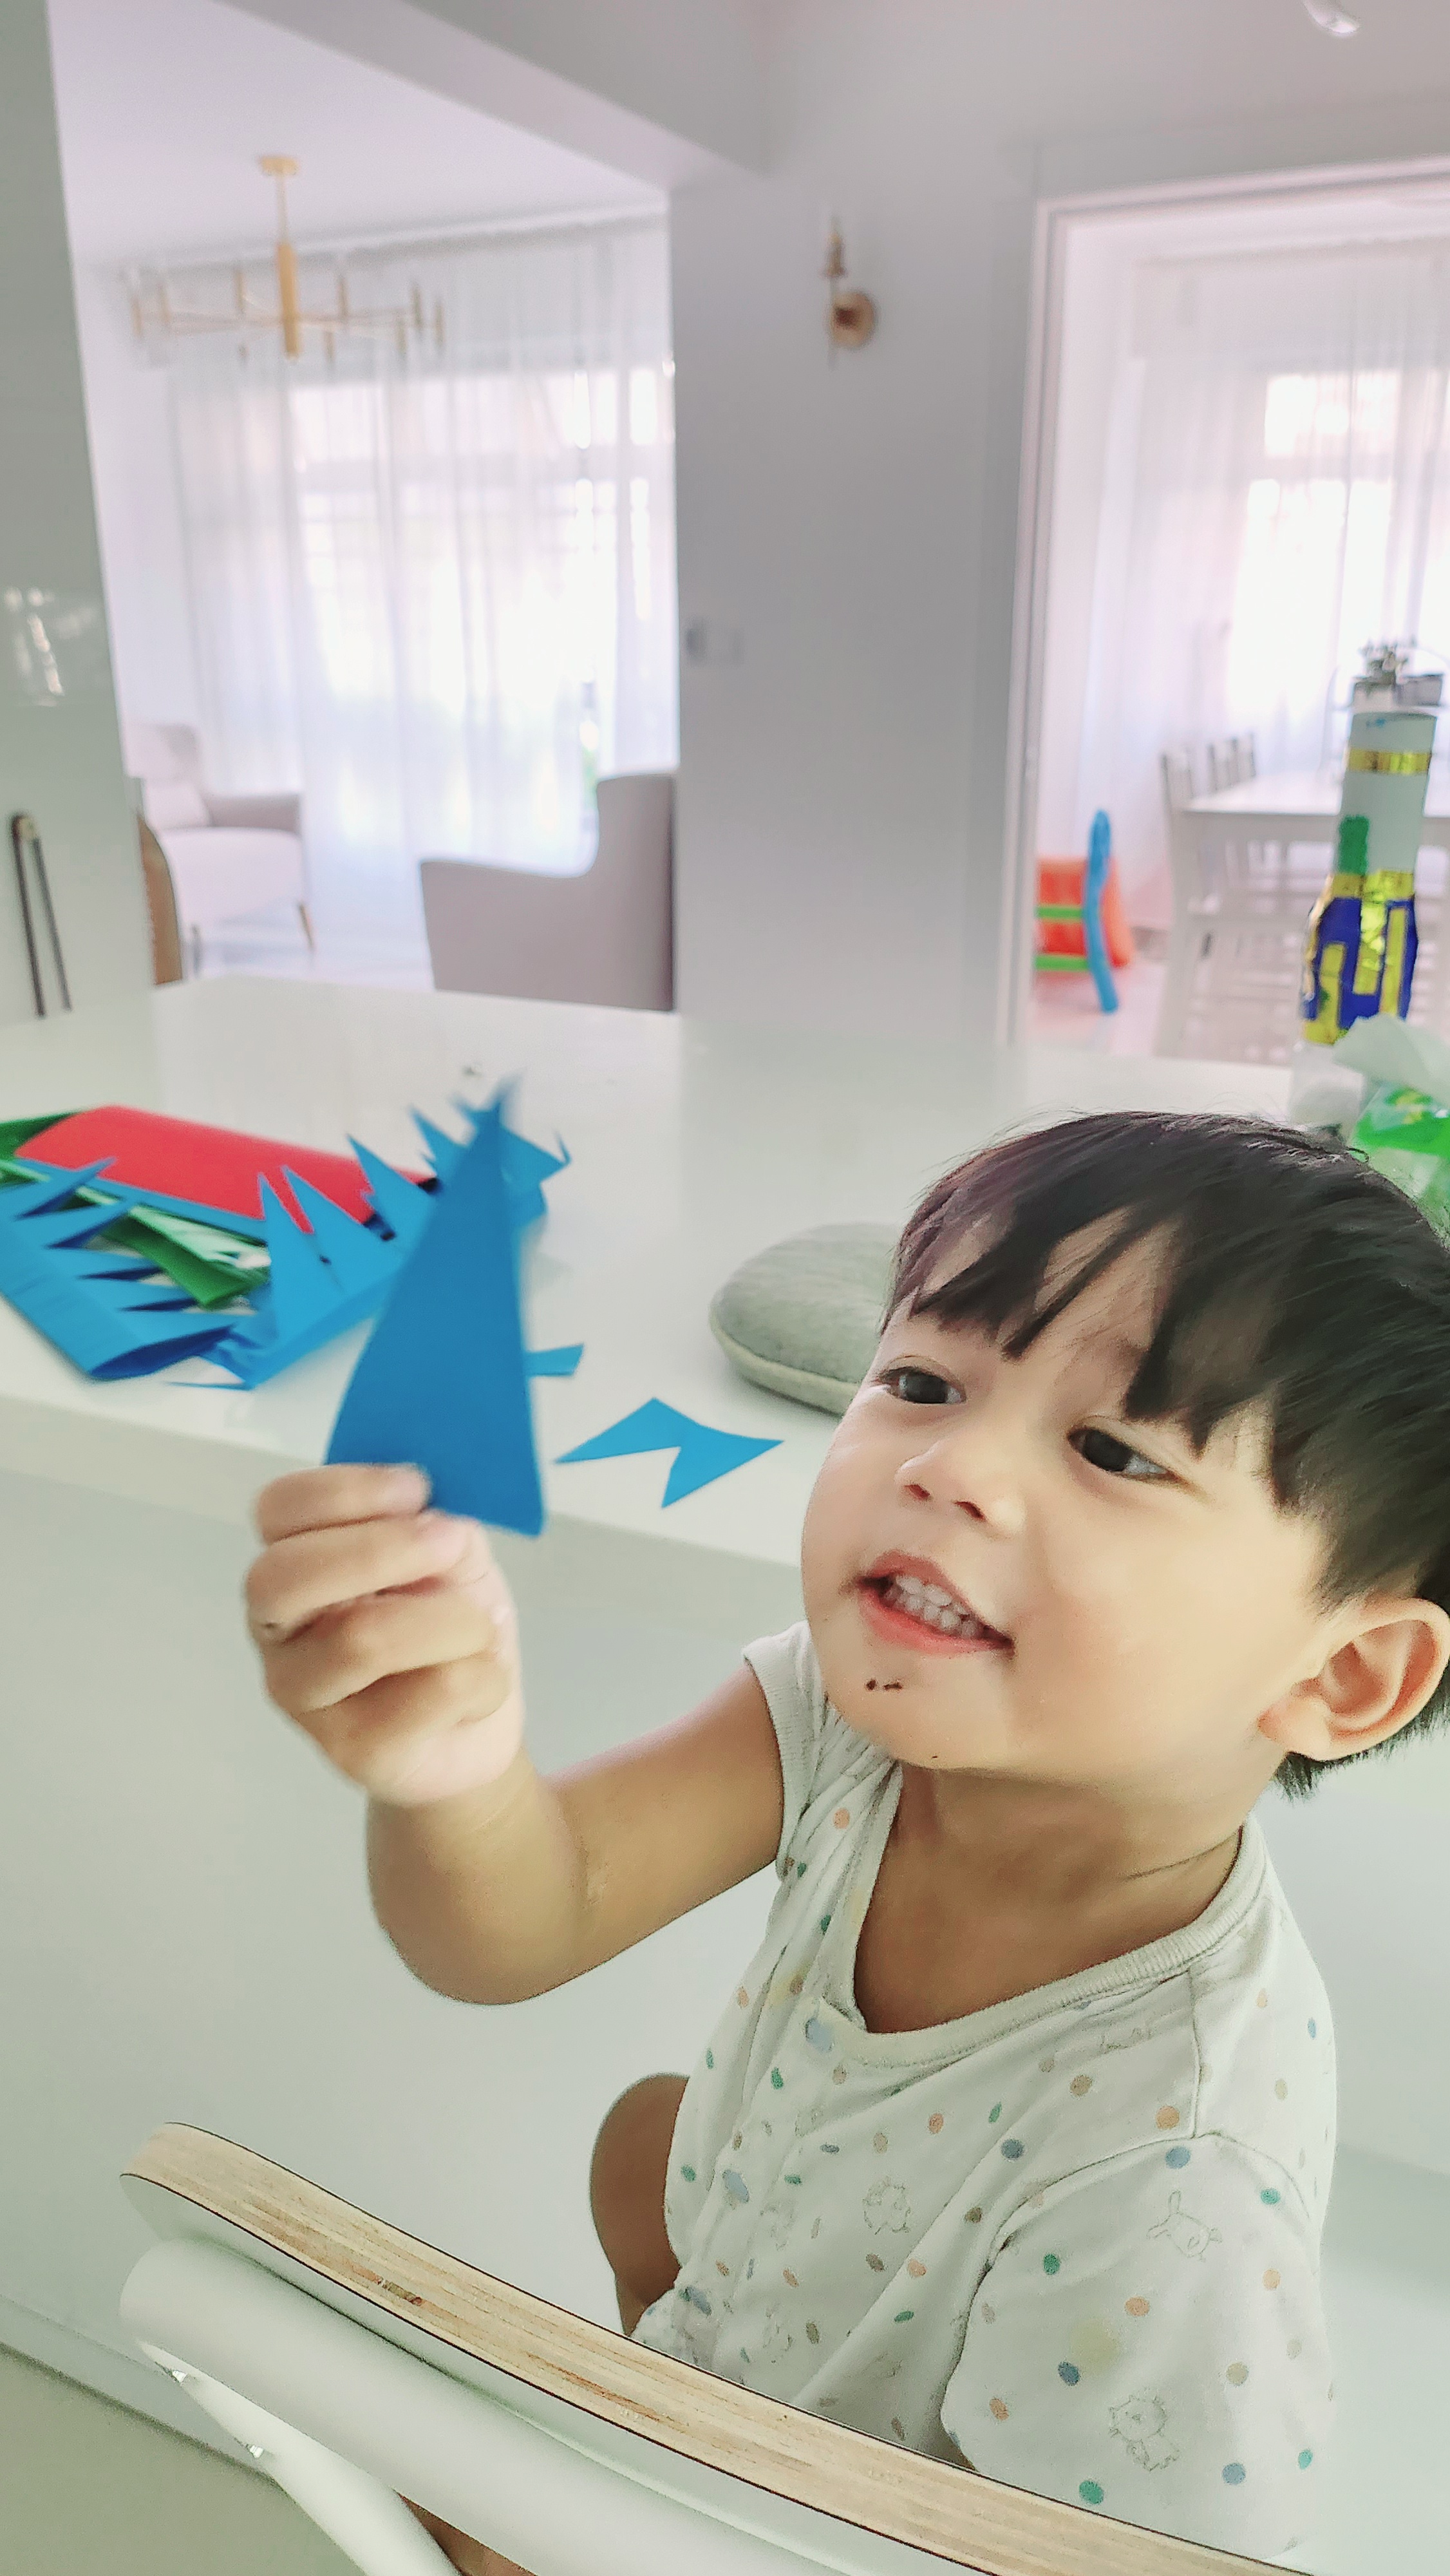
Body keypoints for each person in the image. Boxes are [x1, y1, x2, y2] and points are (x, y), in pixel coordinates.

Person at [245, 1112, 1450, 2572]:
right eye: (923, 1380)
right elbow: (515, 1925)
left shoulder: (1180, 2175)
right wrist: (451, 1770)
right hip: (770, 2354)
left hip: (861, 2540)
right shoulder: (847, 1720)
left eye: (1111, 1448)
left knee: (426, 2473)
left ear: (1339, 1678)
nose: (948, 1466)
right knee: (644, 2137)